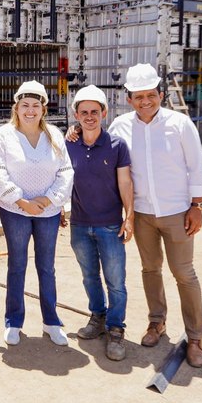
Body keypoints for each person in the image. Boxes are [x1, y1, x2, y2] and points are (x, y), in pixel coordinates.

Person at [108, 63, 202, 368]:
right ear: (129, 99)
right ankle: (157, 323)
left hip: (177, 212)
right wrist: (75, 132)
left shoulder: (179, 125)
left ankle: (195, 338)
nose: (145, 102)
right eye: (138, 97)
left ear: (161, 94)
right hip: (142, 214)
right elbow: (104, 152)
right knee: (150, 269)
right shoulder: (121, 127)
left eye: (150, 95)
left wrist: (197, 205)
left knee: (184, 273)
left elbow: (196, 165)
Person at [0, 81, 74, 347]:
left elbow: (65, 172)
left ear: (43, 108)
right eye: (25, 105)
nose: (30, 110)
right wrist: (22, 201)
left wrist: (49, 199)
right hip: (15, 211)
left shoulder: (54, 136)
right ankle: (14, 321)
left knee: (46, 267)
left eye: (36, 105)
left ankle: (51, 322)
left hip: (47, 212)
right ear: (16, 107)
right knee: (17, 265)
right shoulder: (5, 135)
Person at [64, 85, 135, 361]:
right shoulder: (68, 143)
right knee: (89, 276)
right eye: (84, 112)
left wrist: (129, 216)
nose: (90, 116)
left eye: (95, 111)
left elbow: (125, 182)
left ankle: (116, 328)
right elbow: (61, 179)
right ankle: (98, 317)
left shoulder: (117, 145)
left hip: (109, 225)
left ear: (104, 113)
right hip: (80, 225)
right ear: (76, 115)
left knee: (116, 280)